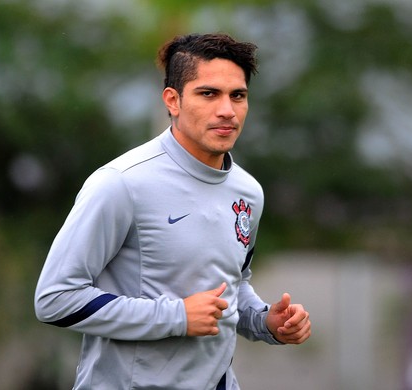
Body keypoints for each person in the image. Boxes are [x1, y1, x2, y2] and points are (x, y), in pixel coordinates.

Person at [34, 32, 311, 390]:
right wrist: (176, 316)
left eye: (237, 96)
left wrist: (266, 322)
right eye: (208, 93)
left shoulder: (248, 192)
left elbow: (232, 286)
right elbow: (55, 298)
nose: (226, 110)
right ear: (173, 100)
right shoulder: (121, 183)